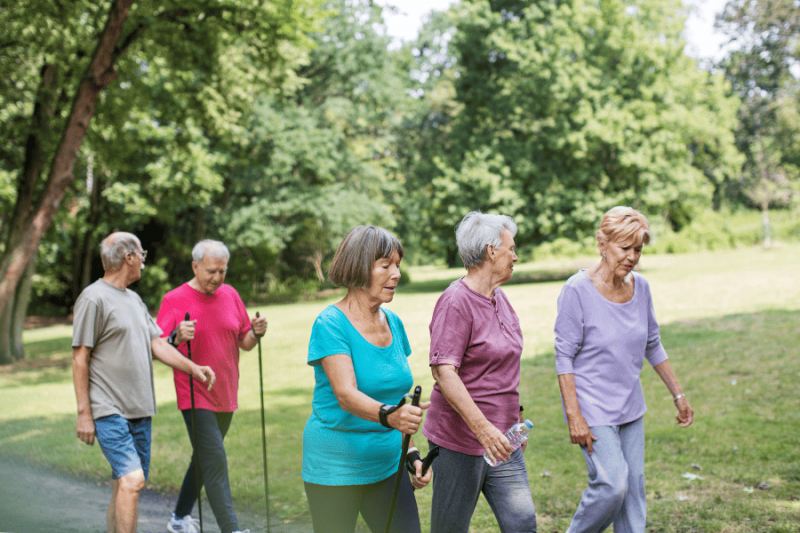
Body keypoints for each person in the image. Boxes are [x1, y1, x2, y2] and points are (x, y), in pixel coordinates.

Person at [554, 206, 694, 533]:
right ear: (602, 243)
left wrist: (679, 395)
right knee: (613, 484)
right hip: (592, 409)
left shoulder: (640, 287)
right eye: (625, 248)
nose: (632, 257)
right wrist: (574, 415)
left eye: (638, 249)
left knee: (633, 492)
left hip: (630, 405)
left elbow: (653, 343)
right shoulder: (577, 290)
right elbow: (564, 357)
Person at [72, 232, 216, 533]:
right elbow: (80, 357)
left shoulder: (134, 300)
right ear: (129, 258)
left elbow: (158, 345)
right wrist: (84, 413)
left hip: (139, 408)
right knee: (133, 479)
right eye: (142, 255)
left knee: (123, 484)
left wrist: (194, 368)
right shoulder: (93, 297)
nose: (143, 262)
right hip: (108, 407)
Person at [302, 225, 431, 533]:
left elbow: (397, 397)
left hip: (388, 464)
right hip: (335, 468)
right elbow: (346, 395)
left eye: (398, 265)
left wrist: (411, 452)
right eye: (386, 265)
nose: (396, 274)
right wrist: (393, 417)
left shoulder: (394, 323)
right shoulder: (330, 323)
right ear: (359, 268)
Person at [422, 211, 537, 533]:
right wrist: (484, 430)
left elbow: (502, 365)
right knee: (450, 527)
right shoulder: (456, 302)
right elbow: (444, 372)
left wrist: (515, 416)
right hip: (460, 440)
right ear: (491, 251)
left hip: (503, 439)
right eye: (510, 248)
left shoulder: (499, 298)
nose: (515, 256)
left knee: (523, 523)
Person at [156, 240, 267, 533]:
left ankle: (179, 519)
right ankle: (231, 529)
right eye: (211, 271)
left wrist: (256, 333)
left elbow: (244, 342)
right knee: (215, 458)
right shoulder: (174, 299)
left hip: (226, 392)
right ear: (195, 266)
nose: (217, 278)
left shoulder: (230, 295)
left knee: (203, 458)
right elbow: (158, 346)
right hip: (193, 392)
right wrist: (176, 337)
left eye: (222, 271)